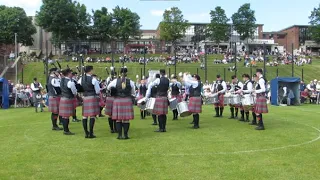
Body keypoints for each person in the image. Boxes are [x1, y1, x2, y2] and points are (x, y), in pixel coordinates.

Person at [107, 66, 135, 140]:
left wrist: (114, 91)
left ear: (120, 73)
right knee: (126, 119)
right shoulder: (131, 82)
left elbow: (108, 87)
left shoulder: (115, 81)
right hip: (127, 100)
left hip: (118, 100)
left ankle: (119, 135)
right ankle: (125, 135)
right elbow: (133, 92)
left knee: (118, 119)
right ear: (126, 73)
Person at [78, 66, 100, 138]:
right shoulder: (93, 79)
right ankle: (91, 133)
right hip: (92, 97)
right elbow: (97, 90)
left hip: (85, 97)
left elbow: (78, 87)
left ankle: (86, 133)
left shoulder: (81, 79)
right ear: (90, 71)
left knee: (84, 116)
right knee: (92, 115)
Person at [59, 69, 77, 135]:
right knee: (66, 116)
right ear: (69, 73)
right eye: (71, 73)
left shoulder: (62, 80)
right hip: (68, 99)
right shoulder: (70, 82)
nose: (72, 74)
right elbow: (74, 91)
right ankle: (66, 131)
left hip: (63, 98)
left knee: (64, 116)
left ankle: (65, 130)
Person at [105, 69, 117, 133]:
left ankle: (112, 129)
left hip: (109, 98)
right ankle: (114, 128)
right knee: (114, 114)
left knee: (110, 114)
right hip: (114, 97)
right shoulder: (115, 80)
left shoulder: (108, 80)